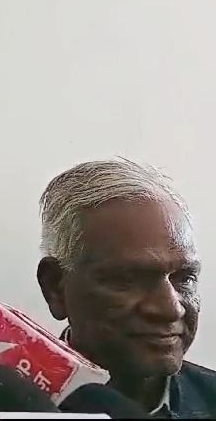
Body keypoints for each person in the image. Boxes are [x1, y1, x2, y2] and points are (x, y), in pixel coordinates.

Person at [36, 158, 216, 418]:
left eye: (184, 278)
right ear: (55, 287)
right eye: (130, 279)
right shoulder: (0, 403)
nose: (170, 309)